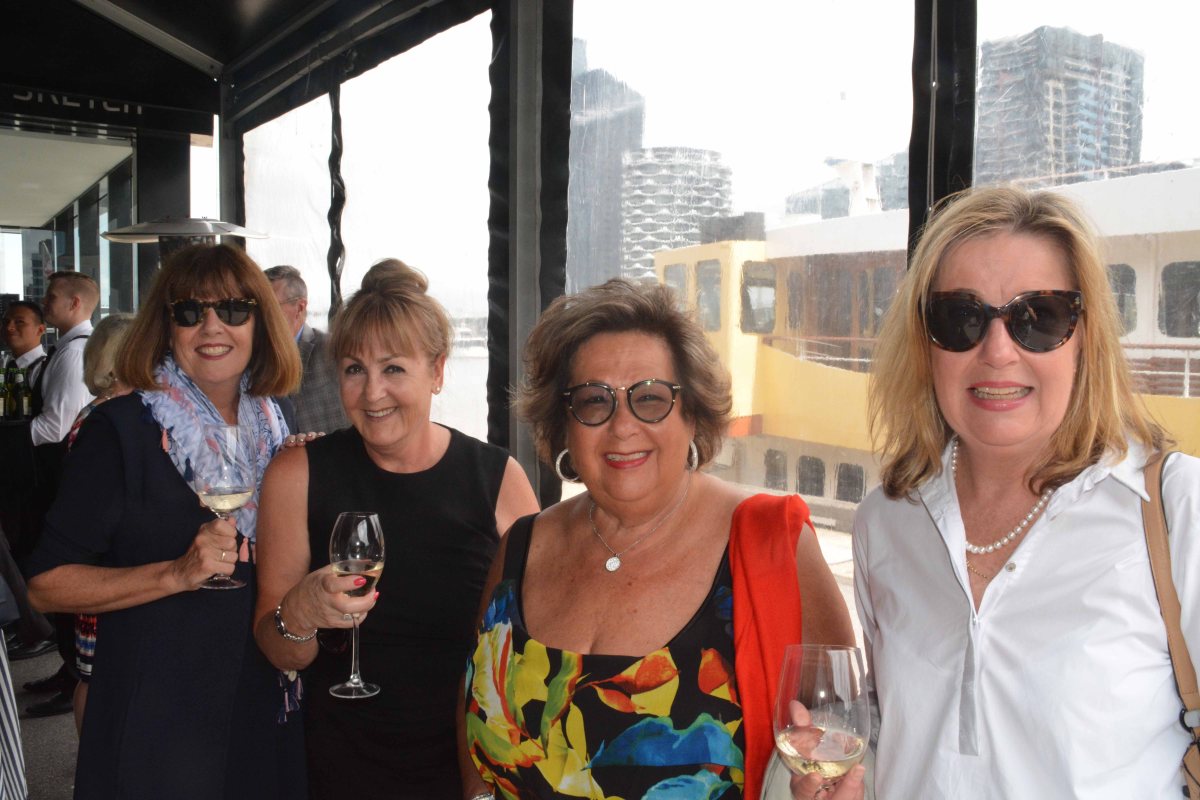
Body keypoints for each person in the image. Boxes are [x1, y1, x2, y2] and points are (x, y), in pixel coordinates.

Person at [856, 186, 1200, 799]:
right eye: (960, 318)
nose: (997, 352)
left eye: (1038, 318)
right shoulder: (885, 521)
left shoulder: (1176, 509)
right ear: (924, 341)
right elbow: (899, 739)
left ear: (1084, 336)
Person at [461, 279, 863, 800]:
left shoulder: (773, 545)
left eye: (649, 398)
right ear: (564, 425)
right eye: (594, 401)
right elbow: (474, 721)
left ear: (692, 414)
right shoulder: (521, 546)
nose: (622, 426)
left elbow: (838, 738)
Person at [26, 244, 305, 799]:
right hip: (158, 714)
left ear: (261, 324)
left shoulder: (278, 422)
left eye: (234, 309)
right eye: (190, 311)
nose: (212, 327)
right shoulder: (120, 430)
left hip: (262, 698)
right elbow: (45, 585)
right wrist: (175, 574)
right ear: (165, 326)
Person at [253, 259, 539, 799]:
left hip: (471, 760)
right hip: (337, 761)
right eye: (354, 369)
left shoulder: (497, 479)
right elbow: (278, 650)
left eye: (393, 369)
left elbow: (535, 638)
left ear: (437, 371)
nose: (372, 393)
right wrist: (301, 612)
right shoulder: (297, 474)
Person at [21, 314, 138, 723]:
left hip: (100, 569)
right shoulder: (108, 419)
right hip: (102, 569)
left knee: (95, 676)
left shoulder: (101, 410)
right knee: (96, 678)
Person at [263, 264, 348, 434]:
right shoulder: (249, 358)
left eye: (270, 307)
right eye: (255, 307)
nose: (261, 316)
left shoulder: (334, 350)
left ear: (300, 308)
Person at [33, 271, 97, 446]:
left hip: (56, 459)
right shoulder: (79, 346)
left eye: (51, 297)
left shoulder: (74, 352)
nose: (44, 301)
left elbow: (55, 428)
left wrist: (8, 439)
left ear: (74, 303)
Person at [2, 300, 48, 384]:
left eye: (19, 322)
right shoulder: (6, 365)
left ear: (40, 330)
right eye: (6, 322)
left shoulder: (47, 370)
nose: (9, 327)